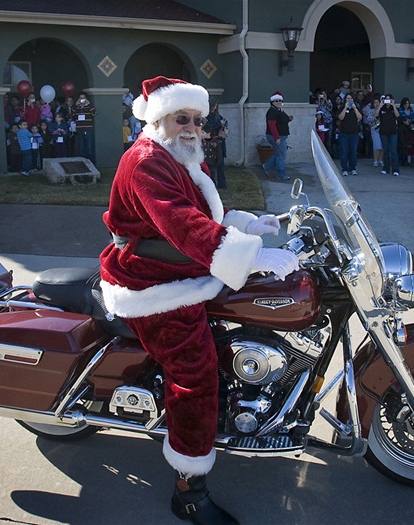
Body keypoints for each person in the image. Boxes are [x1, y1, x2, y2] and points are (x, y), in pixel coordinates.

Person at [99, 76, 299, 525]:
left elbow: (207, 213)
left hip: (185, 269)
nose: (191, 127)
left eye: (196, 120)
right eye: (180, 118)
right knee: (196, 372)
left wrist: (252, 225)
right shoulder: (145, 160)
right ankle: (190, 490)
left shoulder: (184, 157)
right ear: (157, 119)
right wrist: (251, 257)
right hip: (151, 281)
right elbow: (181, 223)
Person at [262, 91, 292, 180]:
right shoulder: (272, 112)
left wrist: (288, 119)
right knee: (281, 156)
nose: (278, 102)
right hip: (277, 137)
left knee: (278, 154)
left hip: (281, 136)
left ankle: (266, 166)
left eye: (280, 100)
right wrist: (277, 138)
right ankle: (281, 174)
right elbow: (272, 126)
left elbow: (281, 121)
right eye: (276, 101)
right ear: (272, 102)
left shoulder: (278, 111)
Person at [202, 100, 228, 188]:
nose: (215, 108)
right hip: (209, 144)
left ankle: (222, 184)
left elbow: (223, 125)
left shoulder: (218, 116)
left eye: (216, 106)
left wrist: (223, 125)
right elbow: (208, 127)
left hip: (219, 143)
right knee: (210, 165)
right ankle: (212, 184)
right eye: (214, 106)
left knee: (220, 165)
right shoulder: (205, 117)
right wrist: (219, 124)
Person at [337, 93, 362, 176]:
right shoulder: (341, 108)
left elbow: (360, 117)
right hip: (344, 134)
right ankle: (344, 168)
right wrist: (345, 108)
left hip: (354, 134)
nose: (349, 100)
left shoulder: (356, 108)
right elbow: (340, 118)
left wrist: (354, 108)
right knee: (344, 152)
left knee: (353, 152)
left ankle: (353, 168)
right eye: (348, 98)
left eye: (351, 98)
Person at [377, 94, 400, 176]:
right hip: (383, 132)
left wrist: (393, 105)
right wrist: (380, 105)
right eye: (386, 99)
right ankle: (385, 168)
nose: (387, 101)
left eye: (389, 99)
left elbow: (397, 115)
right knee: (385, 151)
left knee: (393, 152)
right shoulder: (382, 108)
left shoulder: (394, 108)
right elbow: (376, 115)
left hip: (393, 132)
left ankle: (395, 169)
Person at [74, 92, 96, 164]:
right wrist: (76, 105)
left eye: (83, 98)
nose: (82, 100)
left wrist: (88, 104)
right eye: (80, 98)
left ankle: (91, 163)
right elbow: (72, 115)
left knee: (89, 147)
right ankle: (82, 164)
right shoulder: (76, 107)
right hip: (80, 129)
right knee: (81, 147)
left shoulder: (89, 106)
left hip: (88, 129)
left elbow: (94, 113)